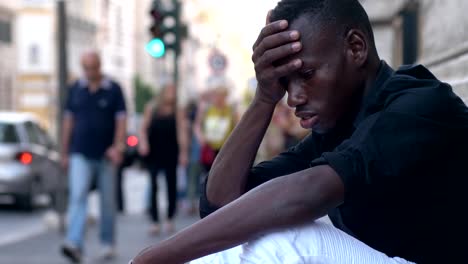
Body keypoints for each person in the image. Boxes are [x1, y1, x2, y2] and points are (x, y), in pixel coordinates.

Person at [131, 0, 468, 263]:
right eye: (284, 83)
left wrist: (155, 257)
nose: (294, 97)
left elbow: (310, 192)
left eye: (305, 74)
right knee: (248, 227)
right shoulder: (336, 126)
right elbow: (221, 202)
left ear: (355, 48)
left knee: (286, 241)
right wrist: (265, 96)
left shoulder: (420, 106)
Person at [60, 51, 127, 263]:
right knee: (78, 196)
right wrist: (64, 152)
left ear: (99, 66)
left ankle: (107, 243)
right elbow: (68, 122)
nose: (90, 72)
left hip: (106, 154)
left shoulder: (114, 89)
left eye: (93, 67)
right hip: (80, 151)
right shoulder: (75, 90)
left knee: (107, 202)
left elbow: (121, 121)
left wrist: (118, 147)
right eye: (86, 68)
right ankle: (74, 243)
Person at [138, 83, 188, 235]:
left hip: (170, 152)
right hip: (154, 152)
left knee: (171, 185)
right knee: (153, 185)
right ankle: (154, 221)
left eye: (174, 90)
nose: (172, 93)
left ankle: (169, 218)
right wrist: (143, 142)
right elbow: (143, 129)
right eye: (169, 90)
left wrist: (183, 152)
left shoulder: (177, 110)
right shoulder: (151, 108)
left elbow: (181, 132)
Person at [193, 81, 238, 172]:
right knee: (208, 175)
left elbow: (238, 128)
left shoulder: (231, 110)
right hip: (209, 149)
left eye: (222, 96)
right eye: (217, 95)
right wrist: (201, 137)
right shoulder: (206, 109)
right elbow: (197, 126)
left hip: (225, 149)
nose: (219, 98)